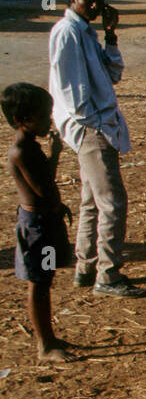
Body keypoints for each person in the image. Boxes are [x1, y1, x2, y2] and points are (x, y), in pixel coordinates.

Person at [47, 0, 141, 297]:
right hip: (90, 127)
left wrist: (111, 35)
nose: (96, 6)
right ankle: (109, 275)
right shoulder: (67, 32)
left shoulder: (86, 32)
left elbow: (112, 74)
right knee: (113, 201)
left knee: (91, 200)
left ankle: (86, 267)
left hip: (96, 125)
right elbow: (72, 93)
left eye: (100, 0)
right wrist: (96, 125)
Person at [5, 83, 75, 361]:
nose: (49, 120)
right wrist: (55, 156)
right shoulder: (22, 151)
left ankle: (49, 337)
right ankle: (45, 345)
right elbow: (43, 189)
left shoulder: (31, 146)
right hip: (38, 228)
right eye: (44, 116)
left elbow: (45, 184)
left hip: (46, 223)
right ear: (22, 120)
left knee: (46, 279)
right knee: (39, 282)